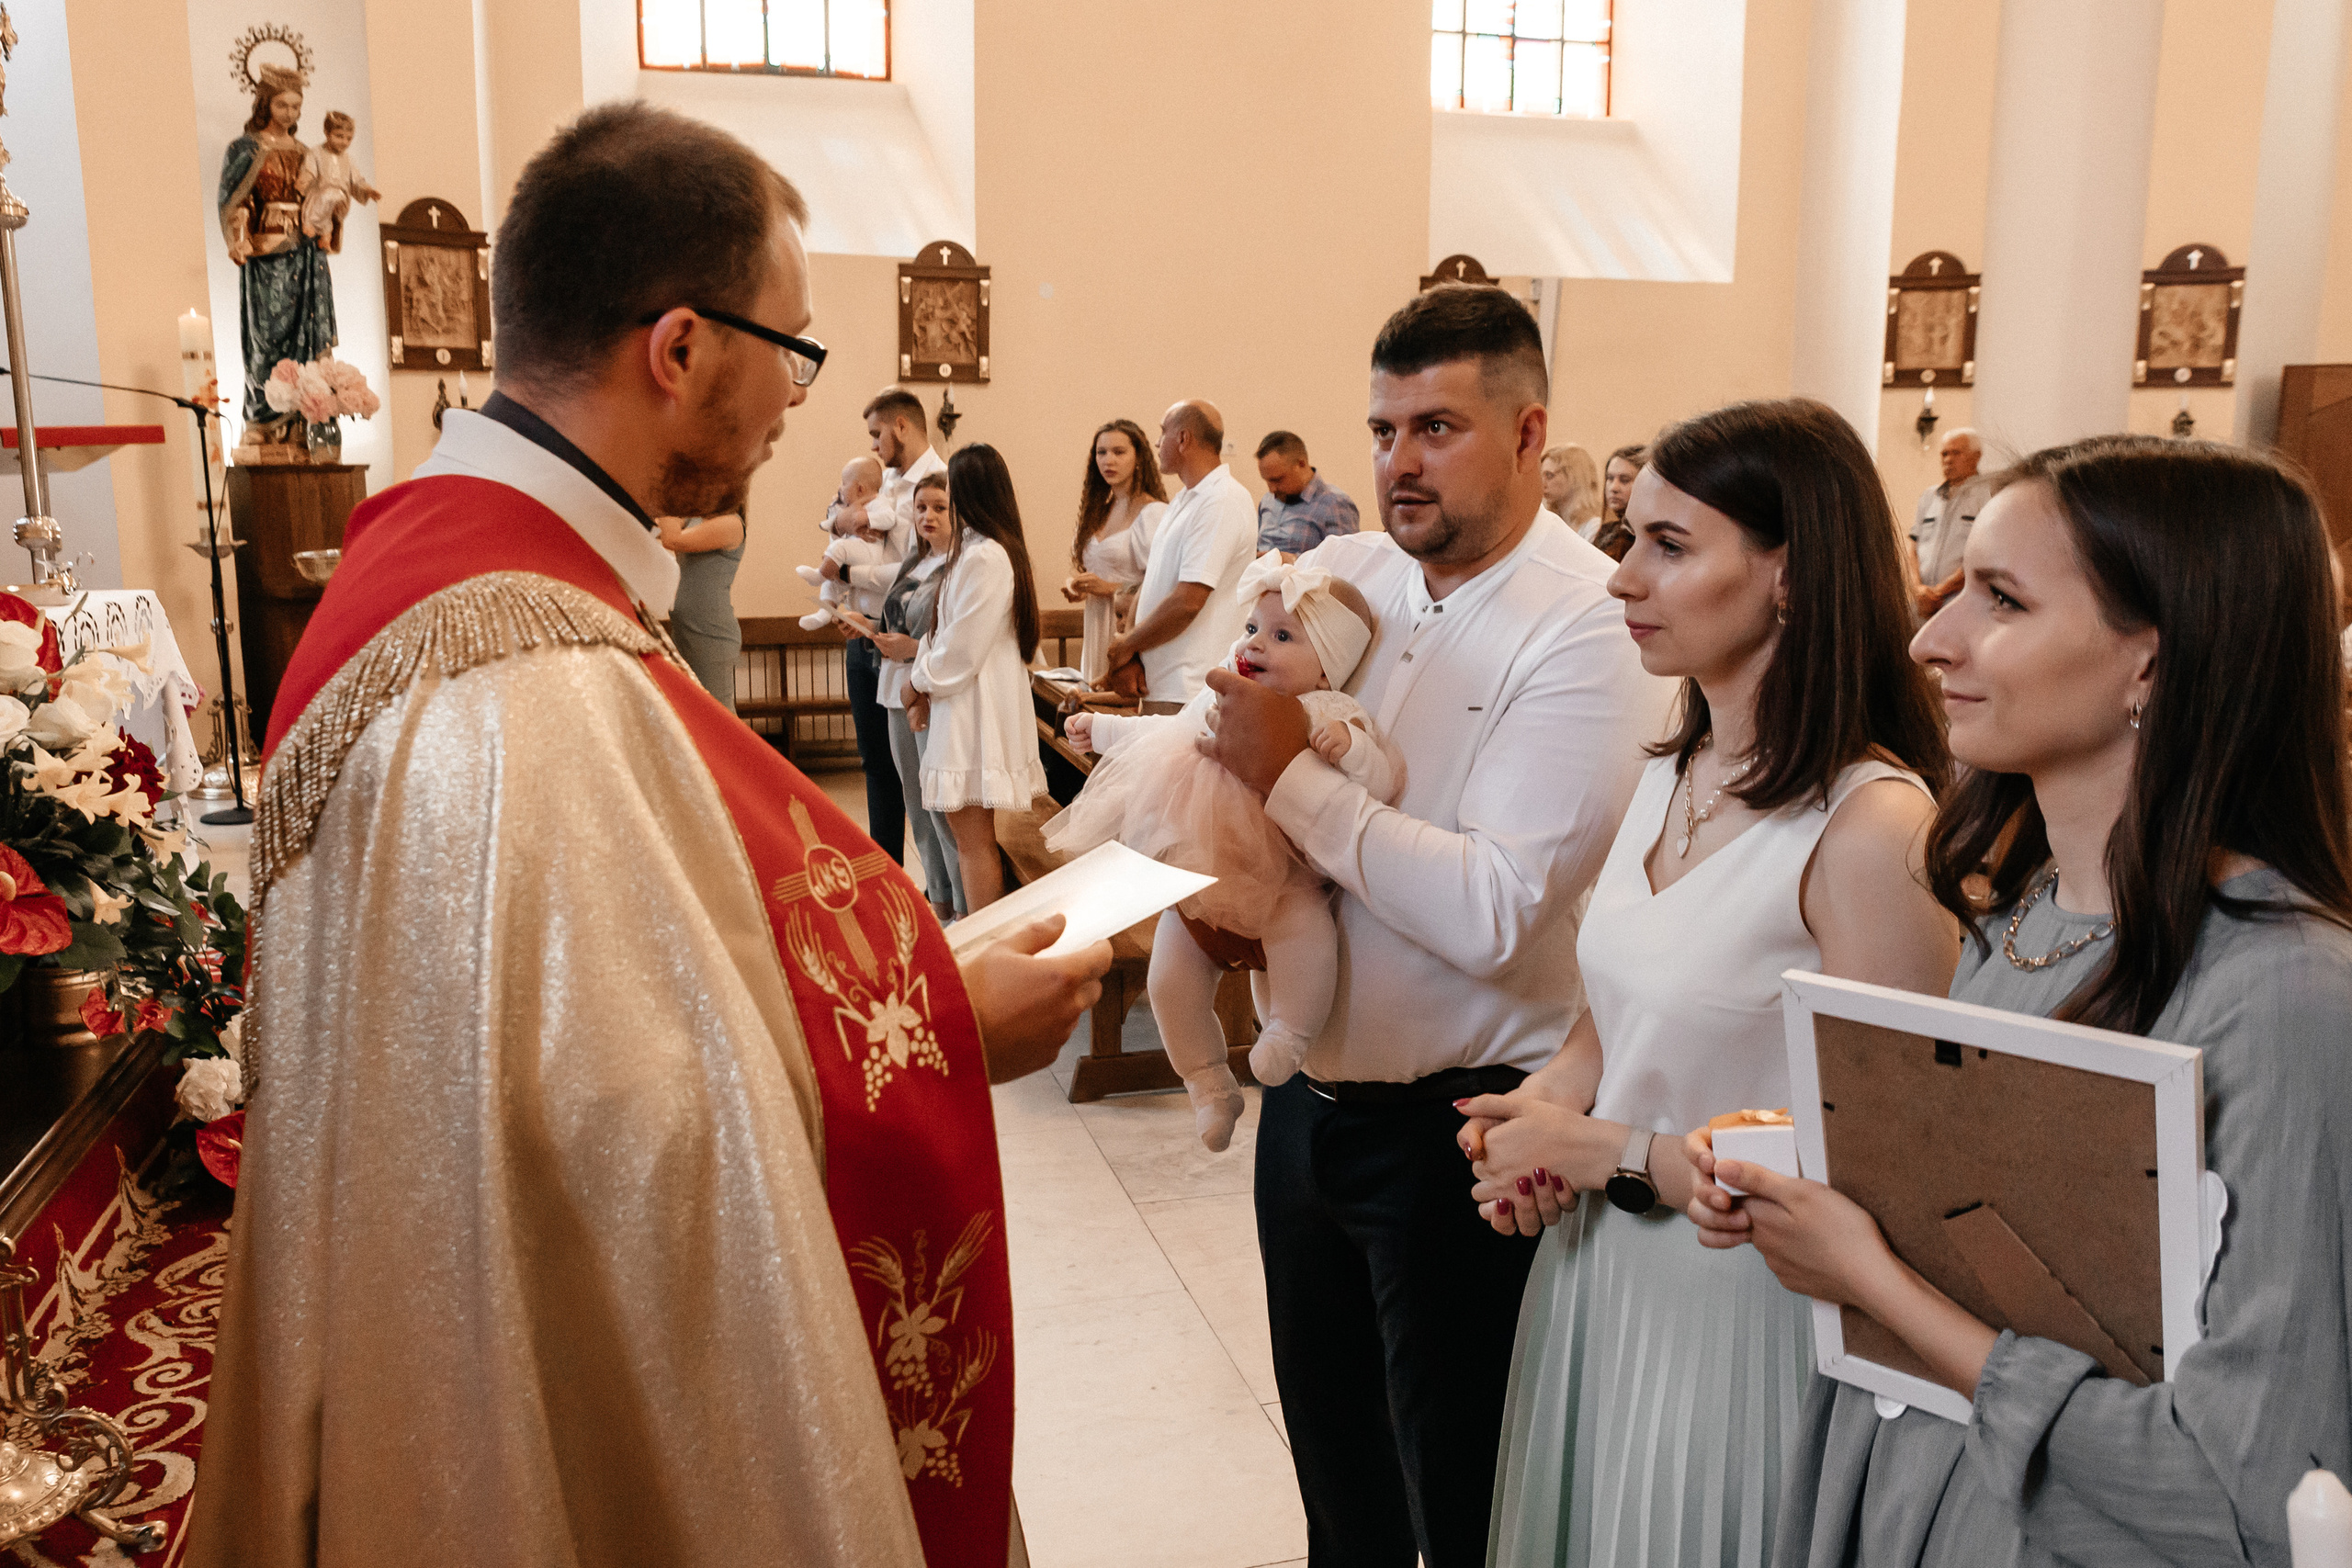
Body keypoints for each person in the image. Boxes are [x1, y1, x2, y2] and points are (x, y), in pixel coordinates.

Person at [186, 102, 1111, 1568]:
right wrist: (941, 1029)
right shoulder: (524, 678)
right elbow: (635, 1132)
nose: (799, 396)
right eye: (791, 348)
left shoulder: (451, 561)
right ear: (680, 349)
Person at [1688, 436, 2352, 1568]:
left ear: (2152, 661)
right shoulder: (2030, 911)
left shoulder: (2288, 998)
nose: (1929, 638)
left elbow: (2245, 1494)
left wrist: (1870, 1277)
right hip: (1905, 1487)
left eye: (2000, 599)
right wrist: (1816, 1179)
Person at [1200, 284, 1669, 1567]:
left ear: (1527, 434)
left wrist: (1286, 778)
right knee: (1338, 1493)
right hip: (1308, 1110)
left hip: (1459, 1133)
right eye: (1383, 429)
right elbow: (1234, 740)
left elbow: (1494, 909)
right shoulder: (1350, 575)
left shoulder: (1589, 622)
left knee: (1460, 1500)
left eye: (1437, 429)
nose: (1399, 462)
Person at [1457, 399, 1957, 1568]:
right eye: (1630, 537)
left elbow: (1884, 1157)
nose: (1622, 577)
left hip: (1748, 1307)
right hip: (1602, 1275)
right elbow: (1613, 1016)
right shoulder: (1674, 770)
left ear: (1791, 574)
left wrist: (1617, 1152)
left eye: (1669, 546)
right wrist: (1541, 1113)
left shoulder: (1871, 826)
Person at [1046, 554, 1402, 1150]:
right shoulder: (1226, 694)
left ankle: (1289, 1032)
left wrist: (1350, 748)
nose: (1256, 643)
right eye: (1253, 628)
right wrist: (1103, 730)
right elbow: (1169, 731)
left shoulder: (1326, 710)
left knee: (1305, 936)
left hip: (1283, 876)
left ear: (1327, 669)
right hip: (1200, 875)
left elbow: (1382, 778)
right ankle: (1206, 1082)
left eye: (1283, 636)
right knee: (1169, 980)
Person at [910, 443, 1048, 910]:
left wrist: (918, 680)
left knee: (972, 841)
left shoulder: (986, 556)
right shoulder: (974, 551)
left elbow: (961, 651)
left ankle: (987, 936)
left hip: (973, 707)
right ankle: (982, 930)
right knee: (968, 837)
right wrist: (922, 676)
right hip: (963, 700)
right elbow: (943, 634)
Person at [843, 471, 966, 923]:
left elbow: (955, 641)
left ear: (958, 513)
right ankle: (939, 904)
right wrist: (868, 626)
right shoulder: (915, 562)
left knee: (942, 810)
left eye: (939, 507)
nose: (927, 516)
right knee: (917, 807)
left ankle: (963, 908)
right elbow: (897, 618)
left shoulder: (959, 566)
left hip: (930, 691)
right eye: (920, 508)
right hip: (895, 688)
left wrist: (912, 648)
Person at [1102, 400, 1256, 705]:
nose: (1157, 443)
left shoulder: (1221, 500)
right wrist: (1132, 652)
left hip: (1192, 685)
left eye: (1163, 432)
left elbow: (1188, 601)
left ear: (1183, 438)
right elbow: (1152, 583)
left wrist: (1126, 646)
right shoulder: (1185, 499)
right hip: (1161, 680)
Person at [217, 65, 335, 450]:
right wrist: (239, 238)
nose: (290, 113)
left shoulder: (306, 153)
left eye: (296, 106)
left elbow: (320, 198)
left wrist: (329, 214)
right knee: (265, 338)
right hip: (267, 255)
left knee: (305, 338)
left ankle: (301, 419)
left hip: (304, 254)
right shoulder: (245, 148)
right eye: (282, 105)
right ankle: (262, 419)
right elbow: (235, 199)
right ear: (266, 103)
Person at [851, 388, 943, 862]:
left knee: (917, 776)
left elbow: (914, 572)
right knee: (875, 765)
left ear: (901, 426)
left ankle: (936, 887)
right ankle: (883, 871)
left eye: (877, 433)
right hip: (865, 630)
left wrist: (849, 573)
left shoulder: (937, 487)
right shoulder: (884, 483)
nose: (872, 446)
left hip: (909, 644)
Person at [1063, 418, 1169, 686]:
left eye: (1119, 452)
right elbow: (1100, 570)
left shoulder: (1153, 513)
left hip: (1129, 624)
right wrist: (1081, 588)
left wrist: (1110, 588)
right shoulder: (1098, 511)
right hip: (1096, 620)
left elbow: (1162, 585)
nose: (1108, 460)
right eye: (1102, 452)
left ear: (1139, 458)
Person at [659, 507, 748, 708]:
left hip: (710, 633)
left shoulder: (731, 523)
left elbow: (671, 539)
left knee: (716, 711)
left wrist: (666, 501)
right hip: (684, 629)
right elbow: (660, 529)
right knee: (688, 710)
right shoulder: (694, 519)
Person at [796, 452, 888, 630]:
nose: (840, 487)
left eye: (844, 483)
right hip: (856, 558)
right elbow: (832, 527)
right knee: (833, 579)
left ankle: (819, 576)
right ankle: (824, 612)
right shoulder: (847, 506)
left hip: (869, 553)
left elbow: (889, 518)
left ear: (860, 489)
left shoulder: (877, 501)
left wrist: (868, 519)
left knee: (839, 548)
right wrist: (837, 521)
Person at [1907, 427, 1990, 618]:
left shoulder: (1988, 495)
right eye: (1944, 454)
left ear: (1976, 456)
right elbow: (1913, 548)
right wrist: (1918, 588)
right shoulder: (1929, 497)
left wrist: (1940, 592)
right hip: (1922, 604)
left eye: (1956, 453)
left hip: (1961, 605)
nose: (1948, 460)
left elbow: (1986, 554)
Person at [1255, 430, 1362, 559]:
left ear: (1301, 464)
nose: (1272, 489)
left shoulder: (1335, 504)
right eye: (1267, 480)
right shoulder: (1268, 501)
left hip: (1301, 572)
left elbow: (1347, 560)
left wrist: (1294, 560)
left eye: (1278, 480)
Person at [298, 109, 379, 254]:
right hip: (319, 195)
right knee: (324, 199)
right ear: (327, 133)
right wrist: (306, 178)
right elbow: (309, 169)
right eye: (339, 136)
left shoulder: (348, 159)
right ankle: (314, 227)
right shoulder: (316, 152)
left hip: (339, 199)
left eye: (349, 138)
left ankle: (326, 233)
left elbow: (357, 180)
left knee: (333, 202)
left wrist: (368, 190)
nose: (344, 142)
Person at [1541, 443, 1605, 543]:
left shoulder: (1593, 527)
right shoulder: (1548, 522)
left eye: (1549, 476)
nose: (1542, 484)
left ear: (1573, 478)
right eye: (1541, 476)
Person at [1596, 443, 1645, 560]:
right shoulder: (1607, 531)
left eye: (1624, 480)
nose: (1614, 488)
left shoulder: (1648, 537)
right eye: (1610, 478)